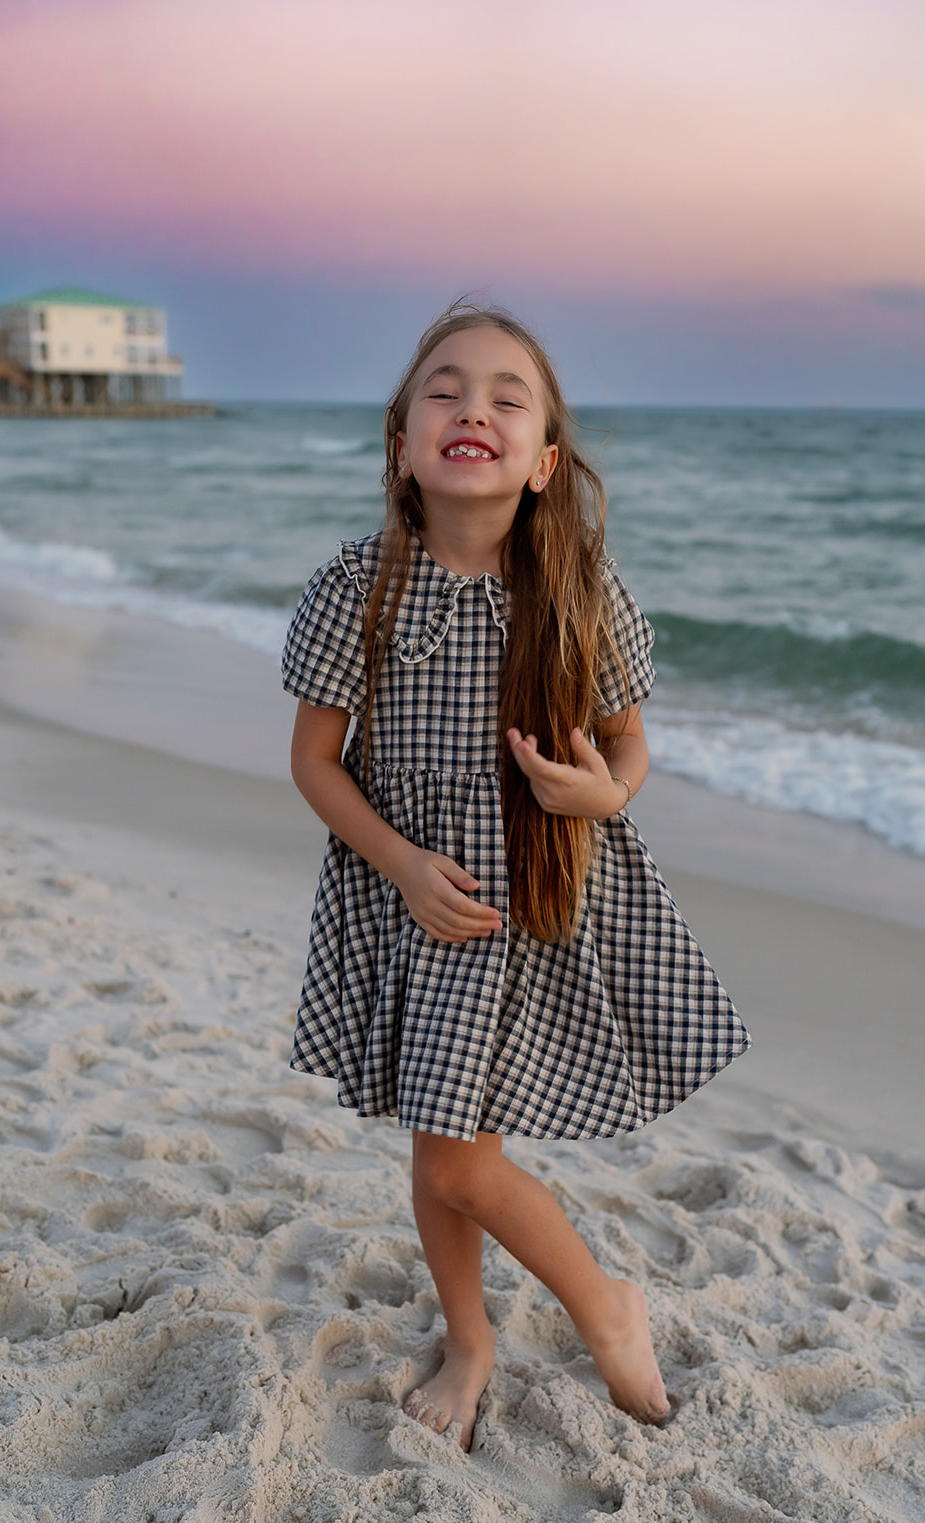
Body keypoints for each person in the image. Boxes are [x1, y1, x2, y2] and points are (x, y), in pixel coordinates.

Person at [283, 302, 750, 1450]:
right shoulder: (359, 589)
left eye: (504, 394)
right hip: (419, 899)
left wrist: (607, 792)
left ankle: (596, 1307)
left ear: (543, 461)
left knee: (454, 1151)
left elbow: (628, 743)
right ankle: (482, 1332)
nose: (471, 409)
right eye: (442, 390)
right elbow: (312, 761)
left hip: (536, 898)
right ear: (401, 441)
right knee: (446, 1147)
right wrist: (396, 865)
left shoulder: (582, 594)